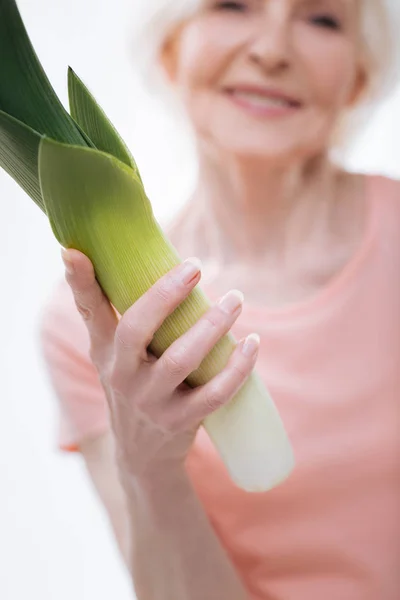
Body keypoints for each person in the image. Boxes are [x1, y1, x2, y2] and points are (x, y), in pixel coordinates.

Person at [40, 0, 400, 598]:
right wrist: (146, 463)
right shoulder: (95, 323)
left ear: (358, 77)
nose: (271, 50)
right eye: (232, 5)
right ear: (171, 49)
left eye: (322, 19)